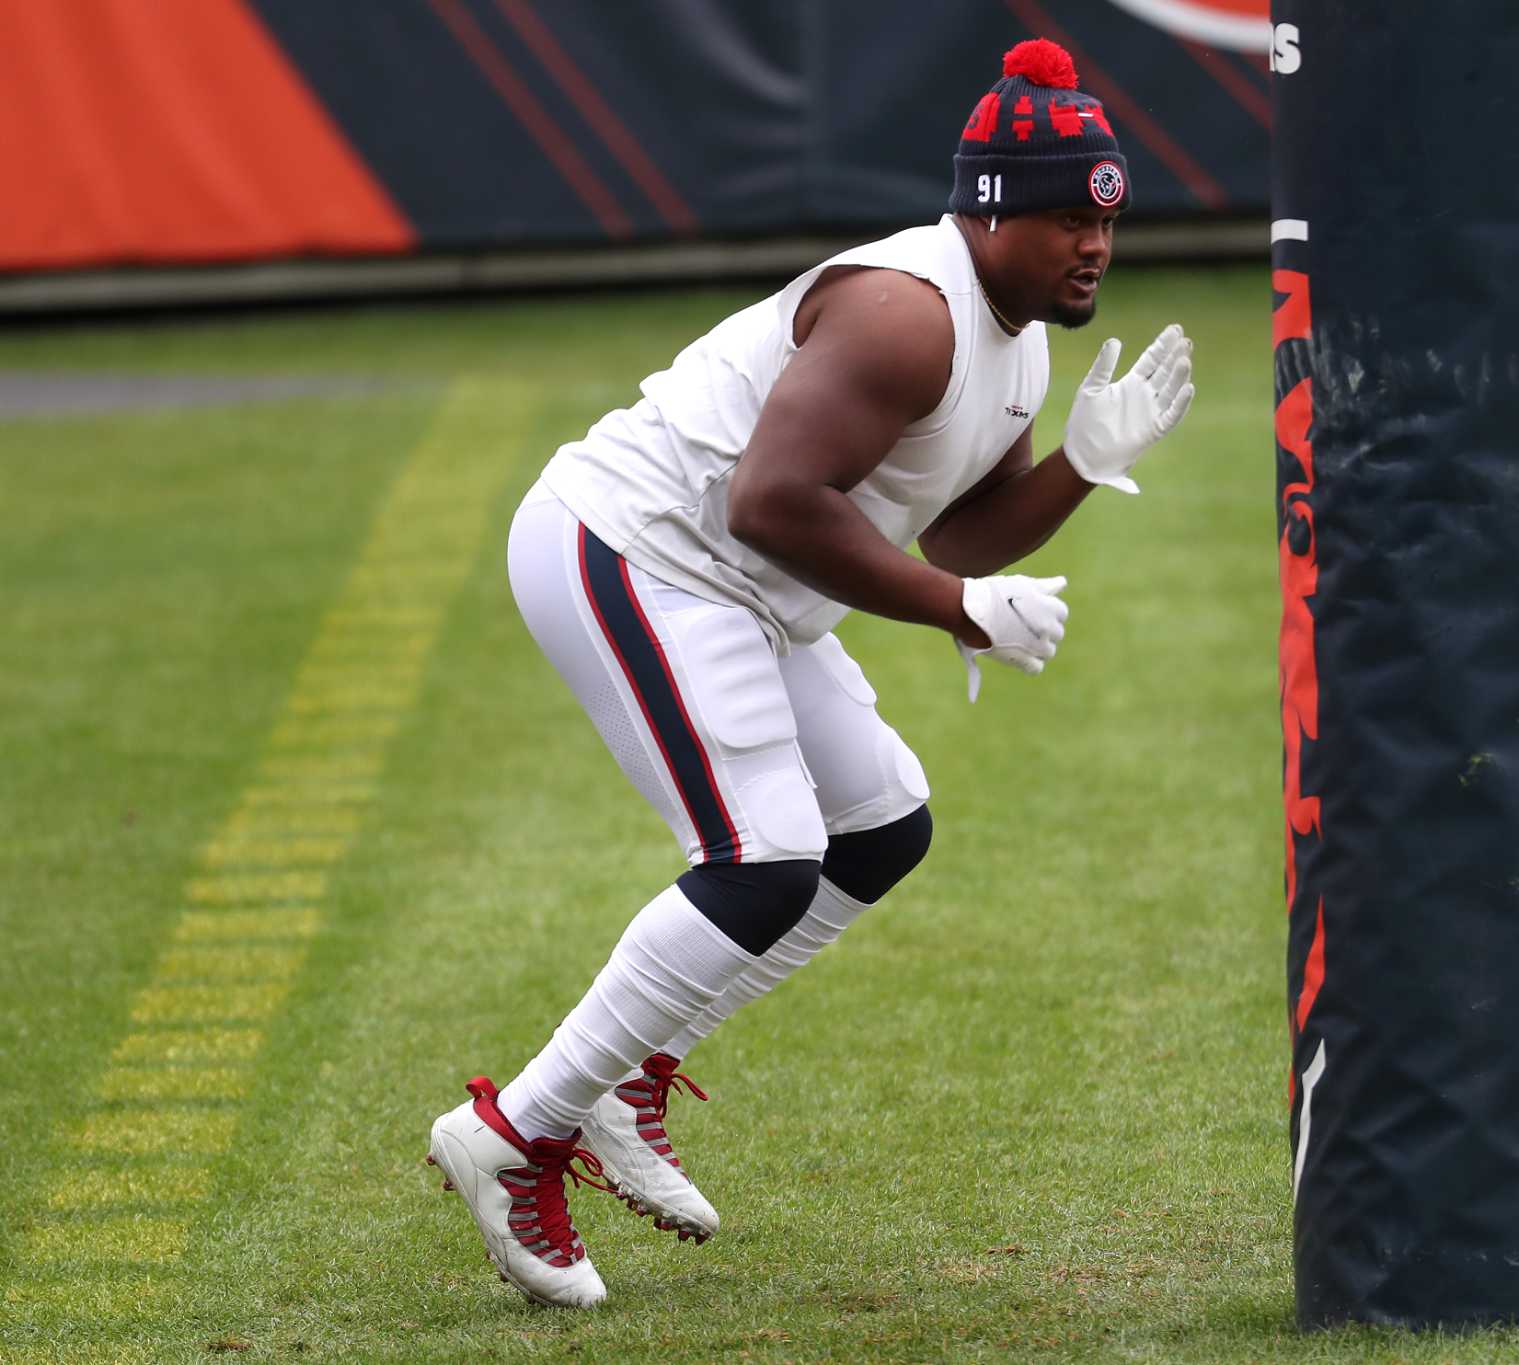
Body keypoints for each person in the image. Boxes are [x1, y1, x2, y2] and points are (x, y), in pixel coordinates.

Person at [425, 37, 1195, 1308]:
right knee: (761, 857)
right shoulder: (909, 311)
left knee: (878, 828)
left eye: (1105, 218)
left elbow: (949, 529)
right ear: (990, 208)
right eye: (1067, 216)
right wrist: (958, 611)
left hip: (737, 583)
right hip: (635, 549)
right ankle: (514, 1133)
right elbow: (772, 500)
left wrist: (1077, 468)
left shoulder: (1014, 338)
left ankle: (627, 1078)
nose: (1093, 246)